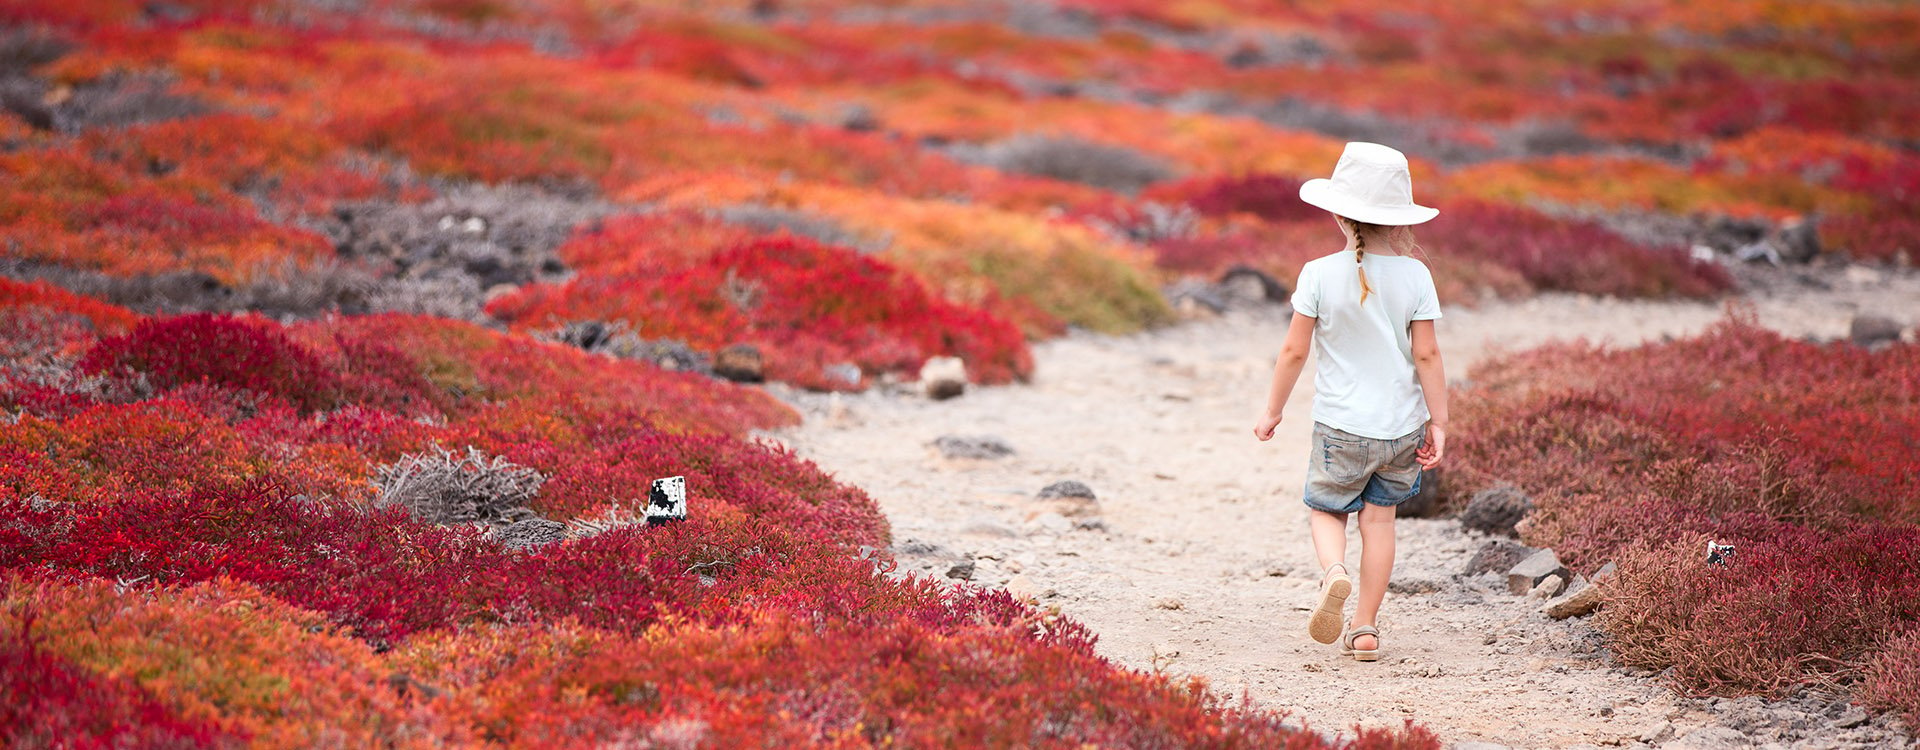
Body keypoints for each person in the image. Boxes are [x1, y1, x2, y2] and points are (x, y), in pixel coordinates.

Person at [1253, 142, 1448, 662]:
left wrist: (1273, 410)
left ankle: (1333, 572)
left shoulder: (1317, 272)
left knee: (1326, 509)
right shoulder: (1417, 275)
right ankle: (1364, 628)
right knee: (1380, 522)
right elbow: (1427, 356)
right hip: (1400, 428)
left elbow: (1294, 349)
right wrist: (1440, 422)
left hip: (1341, 425)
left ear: (1339, 214)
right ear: (1399, 219)